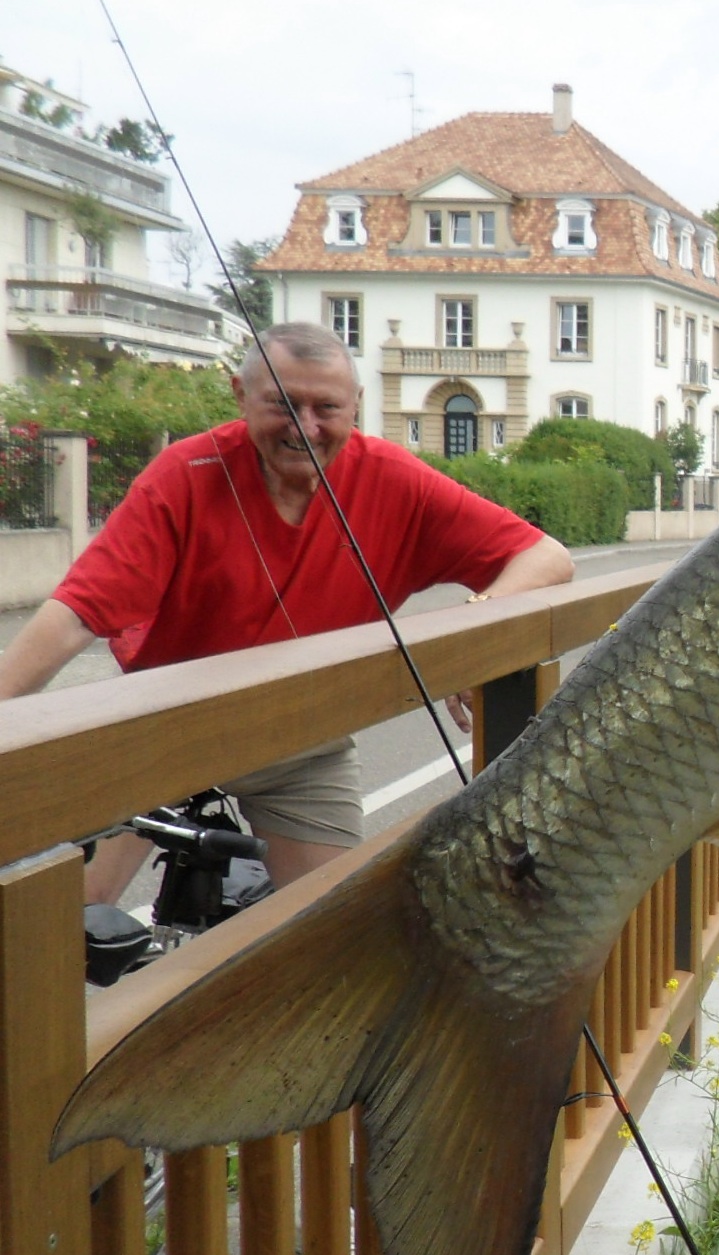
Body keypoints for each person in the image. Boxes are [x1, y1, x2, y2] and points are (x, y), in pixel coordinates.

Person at [0, 323, 576, 904]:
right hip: (161, 727)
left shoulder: (394, 480)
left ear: (357, 405)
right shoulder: (186, 474)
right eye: (282, 404)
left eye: (326, 407)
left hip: (299, 739)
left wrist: (474, 631)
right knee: (63, 932)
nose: (305, 426)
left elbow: (544, 555)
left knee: (328, 929)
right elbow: (77, 612)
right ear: (240, 396)